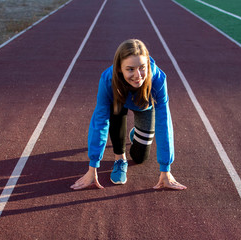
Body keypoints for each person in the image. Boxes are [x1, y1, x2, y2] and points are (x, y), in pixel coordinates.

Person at [71, 39, 186, 190]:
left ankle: (136, 135)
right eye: (130, 69)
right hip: (119, 104)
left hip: (144, 106)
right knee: (115, 109)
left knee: (139, 158)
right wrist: (93, 167)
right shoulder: (108, 80)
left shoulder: (158, 80)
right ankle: (120, 159)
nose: (138, 75)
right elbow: (100, 121)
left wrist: (166, 169)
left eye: (142, 68)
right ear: (119, 68)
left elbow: (164, 123)